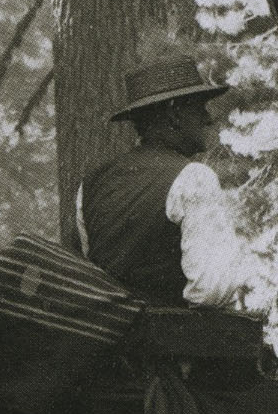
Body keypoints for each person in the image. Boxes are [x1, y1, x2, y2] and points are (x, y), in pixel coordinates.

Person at [71, 44, 246, 311]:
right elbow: (212, 290)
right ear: (174, 114)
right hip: (173, 345)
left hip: (106, 345)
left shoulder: (92, 183)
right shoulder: (194, 178)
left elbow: (84, 274)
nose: (207, 118)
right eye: (198, 107)